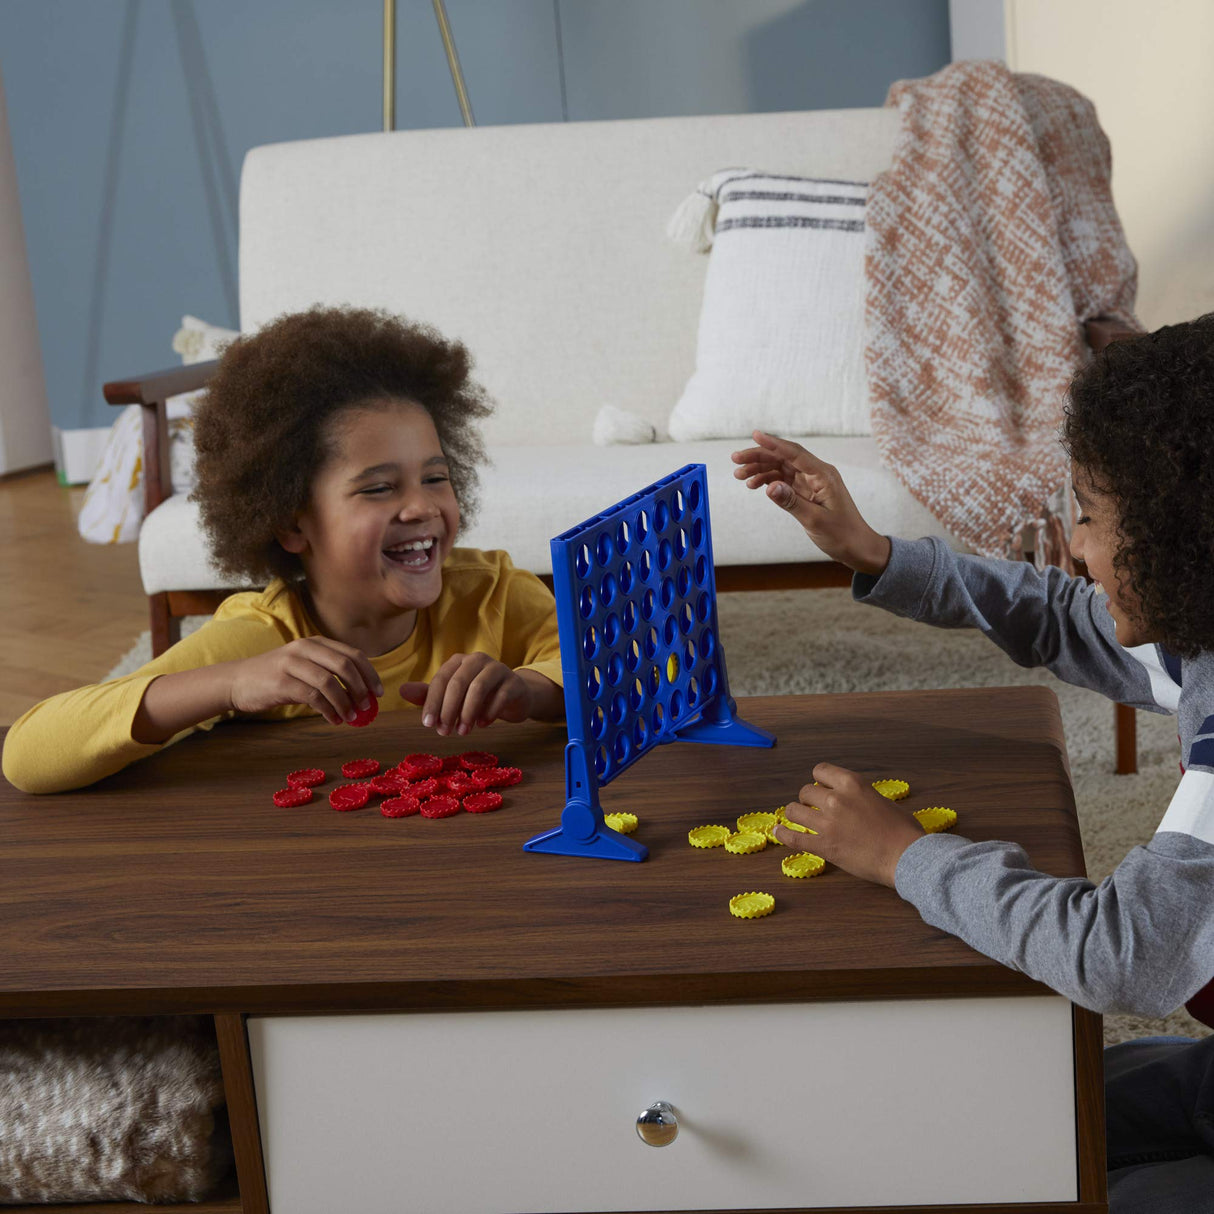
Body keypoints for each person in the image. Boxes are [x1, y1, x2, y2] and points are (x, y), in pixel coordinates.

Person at [732, 313, 1214, 1212]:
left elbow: (1119, 954)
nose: (1075, 545)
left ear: (1182, 533)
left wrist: (902, 855)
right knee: (1027, 1119)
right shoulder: (1203, 633)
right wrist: (875, 552)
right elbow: (1070, 617)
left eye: (1090, 515)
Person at [3, 307, 565, 796]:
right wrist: (230, 685)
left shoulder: (494, 593)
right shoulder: (261, 639)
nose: (421, 507)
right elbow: (28, 756)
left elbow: (632, 678)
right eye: (378, 487)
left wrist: (532, 693)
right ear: (291, 524)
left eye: (435, 478)